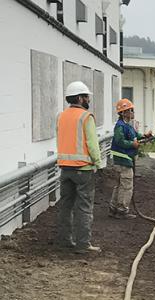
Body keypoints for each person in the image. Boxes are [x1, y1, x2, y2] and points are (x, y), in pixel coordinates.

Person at [56, 81, 103, 254]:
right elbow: (92, 143)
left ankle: (64, 240)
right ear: (79, 98)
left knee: (66, 205)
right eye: (86, 96)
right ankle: (83, 245)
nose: (88, 99)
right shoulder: (85, 117)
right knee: (84, 207)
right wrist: (98, 163)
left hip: (64, 168)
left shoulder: (61, 116)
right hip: (83, 170)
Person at [109, 99, 152, 219]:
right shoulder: (120, 126)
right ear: (123, 113)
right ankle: (122, 210)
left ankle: (113, 208)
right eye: (130, 110)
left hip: (124, 160)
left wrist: (145, 136)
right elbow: (120, 141)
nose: (133, 112)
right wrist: (132, 145)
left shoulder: (127, 125)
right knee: (126, 185)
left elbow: (134, 135)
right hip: (123, 160)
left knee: (120, 184)